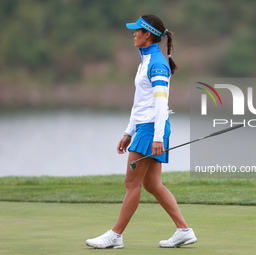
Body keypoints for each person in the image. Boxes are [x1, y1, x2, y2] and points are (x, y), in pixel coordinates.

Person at [85, 14, 197, 249]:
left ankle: (115, 235)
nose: (133, 34)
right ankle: (184, 230)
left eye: (137, 30)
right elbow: (141, 102)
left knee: (131, 182)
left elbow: (159, 103)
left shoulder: (156, 63)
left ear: (148, 34)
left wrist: (156, 137)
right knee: (152, 184)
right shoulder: (146, 60)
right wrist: (129, 131)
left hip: (152, 130)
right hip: (146, 128)